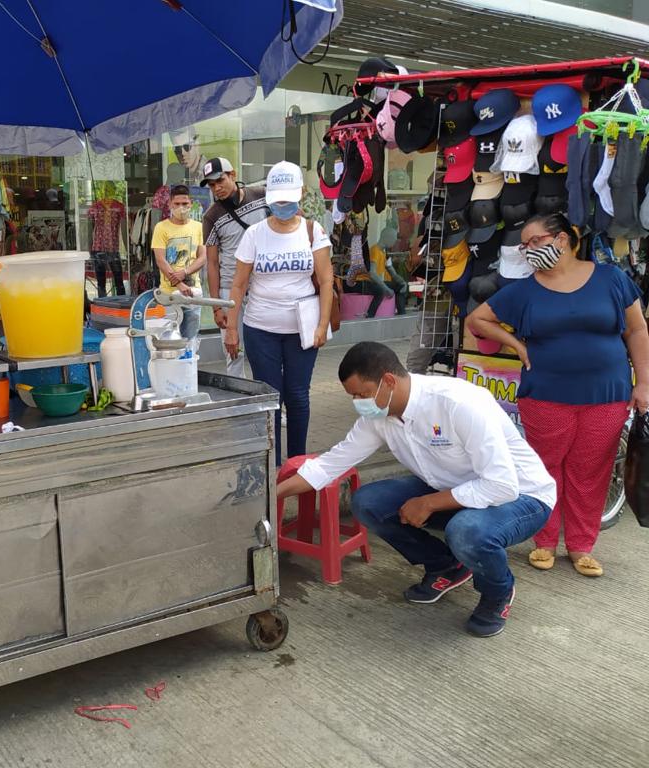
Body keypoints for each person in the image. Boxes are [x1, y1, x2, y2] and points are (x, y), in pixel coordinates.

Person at [278, 342, 557, 637]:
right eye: (353, 397)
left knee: (466, 531)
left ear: (387, 381)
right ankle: (448, 566)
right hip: (454, 489)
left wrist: (429, 503)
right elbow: (328, 465)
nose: (358, 403)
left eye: (361, 395)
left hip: (523, 498)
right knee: (368, 503)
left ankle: (497, 591)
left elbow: (502, 485)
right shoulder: (378, 416)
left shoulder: (457, 403)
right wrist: (274, 493)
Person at [466, 212, 649, 578]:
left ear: (563, 239)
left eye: (535, 242)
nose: (528, 250)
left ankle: (582, 545)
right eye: (524, 245)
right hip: (546, 394)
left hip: (606, 394)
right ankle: (544, 540)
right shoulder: (523, 289)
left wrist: (643, 382)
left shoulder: (611, 278)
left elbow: (637, 330)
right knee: (545, 468)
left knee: (591, 470)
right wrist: (517, 345)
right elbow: (477, 321)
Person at [224, 161, 334, 465]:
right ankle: (271, 464)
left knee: (298, 395)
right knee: (270, 397)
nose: (283, 205)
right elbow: (238, 285)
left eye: (289, 198)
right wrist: (231, 329)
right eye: (278, 200)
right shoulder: (255, 235)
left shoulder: (314, 231)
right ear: (269, 199)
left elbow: (326, 280)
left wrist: (323, 325)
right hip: (261, 329)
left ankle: (297, 463)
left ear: (299, 194)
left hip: (304, 331)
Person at [202, 157, 270, 377]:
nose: (217, 188)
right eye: (211, 185)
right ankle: (238, 408)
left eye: (220, 180)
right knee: (233, 352)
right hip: (230, 290)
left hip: (262, 287)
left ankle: (272, 406)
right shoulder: (211, 216)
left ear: (233, 175)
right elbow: (212, 263)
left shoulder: (261, 196)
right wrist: (216, 306)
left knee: (266, 353)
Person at [151, 184, 206, 340]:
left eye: (185, 204)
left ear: (191, 204)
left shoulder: (198, 227)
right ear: (169, 204)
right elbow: (160, 260)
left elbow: (203, 257)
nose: (181, 207)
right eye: (177, 204)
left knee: (191, 340)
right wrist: (179, 284)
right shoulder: (161, 228)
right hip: (169, 296)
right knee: (169, 340)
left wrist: (185, 273)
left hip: (193, 294)